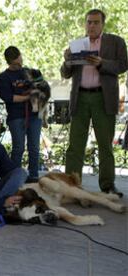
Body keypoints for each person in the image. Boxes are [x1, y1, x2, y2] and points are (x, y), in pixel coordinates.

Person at [61, 9, 128, 197]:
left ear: (103, 24)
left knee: (105, 145)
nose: (91, 26)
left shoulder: (115, 42)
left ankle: (107, 185)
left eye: (96, 22)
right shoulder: (77, 44)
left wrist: (101, 63)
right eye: (89, 22)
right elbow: (65, 73)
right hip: (80, 98)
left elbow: (123, 65)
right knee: (75, 146)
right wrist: (67, 61)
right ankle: (71, 186)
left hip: (103, 98)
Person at [0, 46, 43, 183]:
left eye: (20, 61)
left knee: (34, 147)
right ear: (9, 62)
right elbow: (9, 98)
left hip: (34, 115)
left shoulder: (30, 72)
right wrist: (26, 97)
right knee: (18, 147)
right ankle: (14, 176)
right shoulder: (4, 77)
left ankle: (34, 175)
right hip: (16, 116)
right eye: (16, 63)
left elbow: (41, 87)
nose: (19, 65)